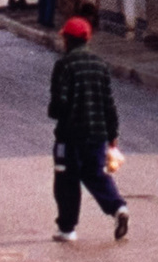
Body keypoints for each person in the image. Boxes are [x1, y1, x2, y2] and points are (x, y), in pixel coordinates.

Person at [48, 16, 128, 243]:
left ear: (68, 39)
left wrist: (56, 112)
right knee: (96, 175)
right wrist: (112, 136)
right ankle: (118, 207)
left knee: (66, 180)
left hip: (70, 136)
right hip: (98, 135)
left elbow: (59, 104)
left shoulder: (64, 65)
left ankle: (67, 229)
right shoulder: (100, 64)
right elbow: (108, 103)